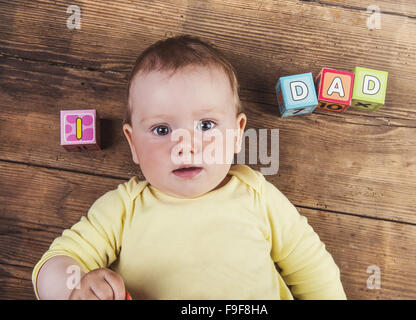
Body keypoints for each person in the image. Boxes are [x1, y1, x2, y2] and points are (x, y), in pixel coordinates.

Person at [32, 35, 346, 300]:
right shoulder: (124, 207)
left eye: (206, 124)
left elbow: (313, 269)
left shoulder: (256, 194)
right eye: (161, 130)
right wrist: (75, 289)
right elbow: (55, 263)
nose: (186, 146)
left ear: (237, 134)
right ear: (133, 144)